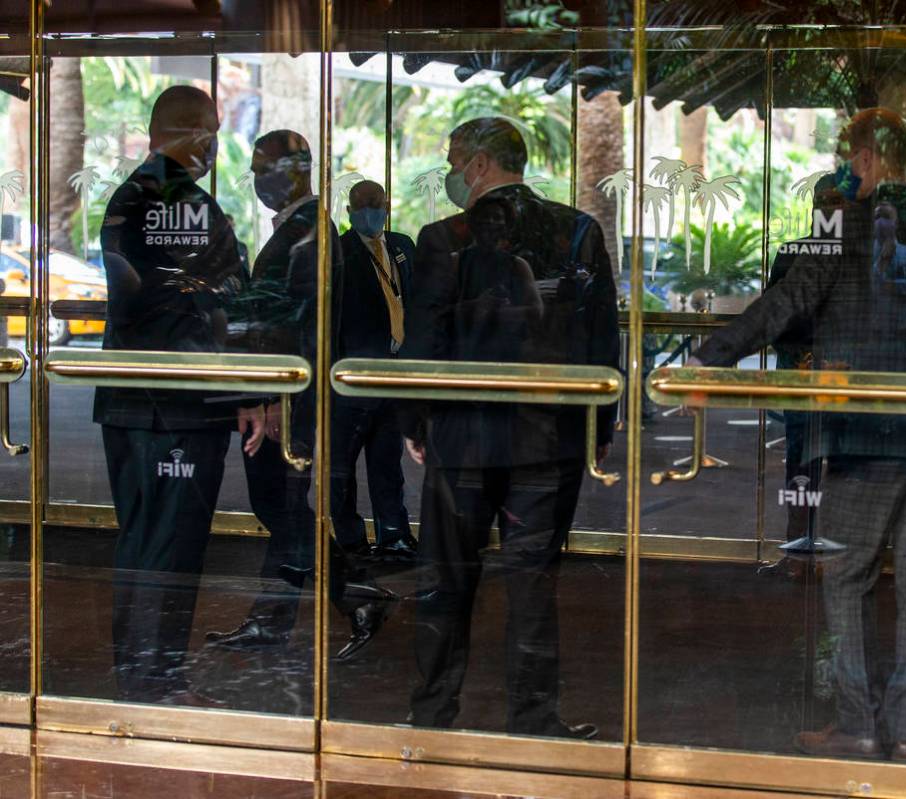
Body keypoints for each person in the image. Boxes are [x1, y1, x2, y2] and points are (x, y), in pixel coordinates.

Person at [688, 108, 906, 761]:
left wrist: (709, 358)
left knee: (846, 574)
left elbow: (785, 302)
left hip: (866, 434)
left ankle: (859, 724)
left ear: (863, 158)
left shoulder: (837, 226)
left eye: (844, 155)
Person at [403, 117, 618, 739]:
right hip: (546, 442)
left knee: (445, 583)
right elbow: (601, 335)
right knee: (533, 584)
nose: (449, 172)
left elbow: (425, 342)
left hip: (462, 440)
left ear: (478, 163)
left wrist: (416, 421)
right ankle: (534, 718)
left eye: (452, 159)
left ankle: (432, 715)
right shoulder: (577, 231)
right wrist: (598, 422)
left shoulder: (445, 239)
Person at [96, 85, 265, 703]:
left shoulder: (132, 197)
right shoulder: (177, 201)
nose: (218, 143)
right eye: (212, 130)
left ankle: (143, 679)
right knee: (168, 546)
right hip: (176, 406)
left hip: (136, 402)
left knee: (144, 543)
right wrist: (241, 386)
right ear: (189, 131)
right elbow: (216, 298)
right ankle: (154, 684)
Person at [206, 129, 326, 650]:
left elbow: (297, 326)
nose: (256, 179)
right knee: (284, 506)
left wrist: (276, 396)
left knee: (279, 504)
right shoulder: (301, 229)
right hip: (286, 394)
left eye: (262, 168)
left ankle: (281, 615)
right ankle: (348, 594)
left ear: (293, 170)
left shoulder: (305, 234)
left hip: (287, 398)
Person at [332, 180, 417, 563]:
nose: (370, 210)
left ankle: (394, 535)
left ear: (387, 204)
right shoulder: (338, 252)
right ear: (349, 211)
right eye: (361, 204)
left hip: (393, 374)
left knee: (388, 461)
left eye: (376, 203)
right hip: (352, 376)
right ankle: (350, 540)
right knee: (342, 466)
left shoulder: (403, 246)